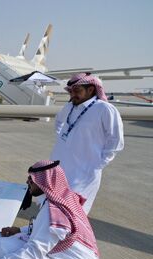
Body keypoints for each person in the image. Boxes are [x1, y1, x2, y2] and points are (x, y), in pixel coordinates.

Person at [50, 72, 124, 213]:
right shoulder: (69, 107)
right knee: (52, 208)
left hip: (84, 173)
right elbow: (58, 122)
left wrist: (97, 164)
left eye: (77, 91)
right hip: (61, 168)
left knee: (73, 211)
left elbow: (116, 141)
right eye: (70, 91)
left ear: (90, 90)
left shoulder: (105, 109)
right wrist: (62, 140)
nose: (72, 95)